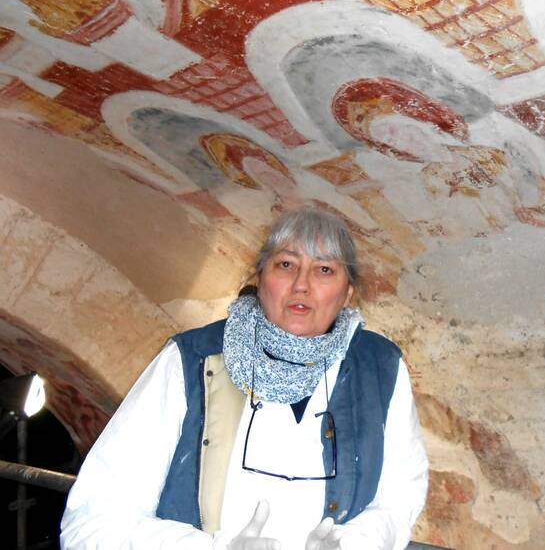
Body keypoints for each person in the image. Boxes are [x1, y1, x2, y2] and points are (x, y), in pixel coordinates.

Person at [60, 208, 429, 549]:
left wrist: (354, 544)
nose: (301, 284)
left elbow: (400, 497)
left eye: (324, 270)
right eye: (286, 264)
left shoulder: (380, 368)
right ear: (260, 276)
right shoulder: (191, 360)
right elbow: (90, 521)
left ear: (347, 293)